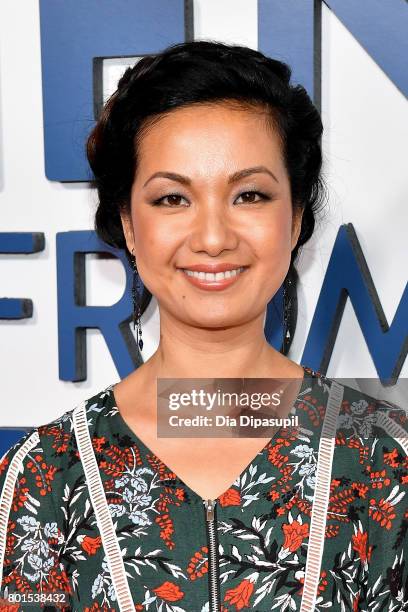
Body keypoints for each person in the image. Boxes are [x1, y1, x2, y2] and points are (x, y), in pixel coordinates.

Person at [0, 40, 406, 612]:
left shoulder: (388, 459)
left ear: (294, 221)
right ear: (129, 226)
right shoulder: (45, 473)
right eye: (172, 198)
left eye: (250, 194)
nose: (213, 238)